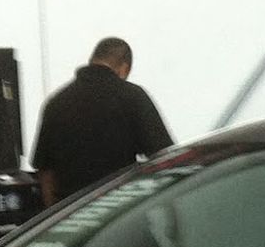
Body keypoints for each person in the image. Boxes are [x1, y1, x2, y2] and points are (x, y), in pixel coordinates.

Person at [31, 37, 173, 206]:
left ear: (92, 61)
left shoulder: (56, 102)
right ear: (124, 68)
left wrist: (53, 215)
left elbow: (45, 172)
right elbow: (165, 156)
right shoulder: (133, 97)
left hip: (70, 214)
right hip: (116, 213)